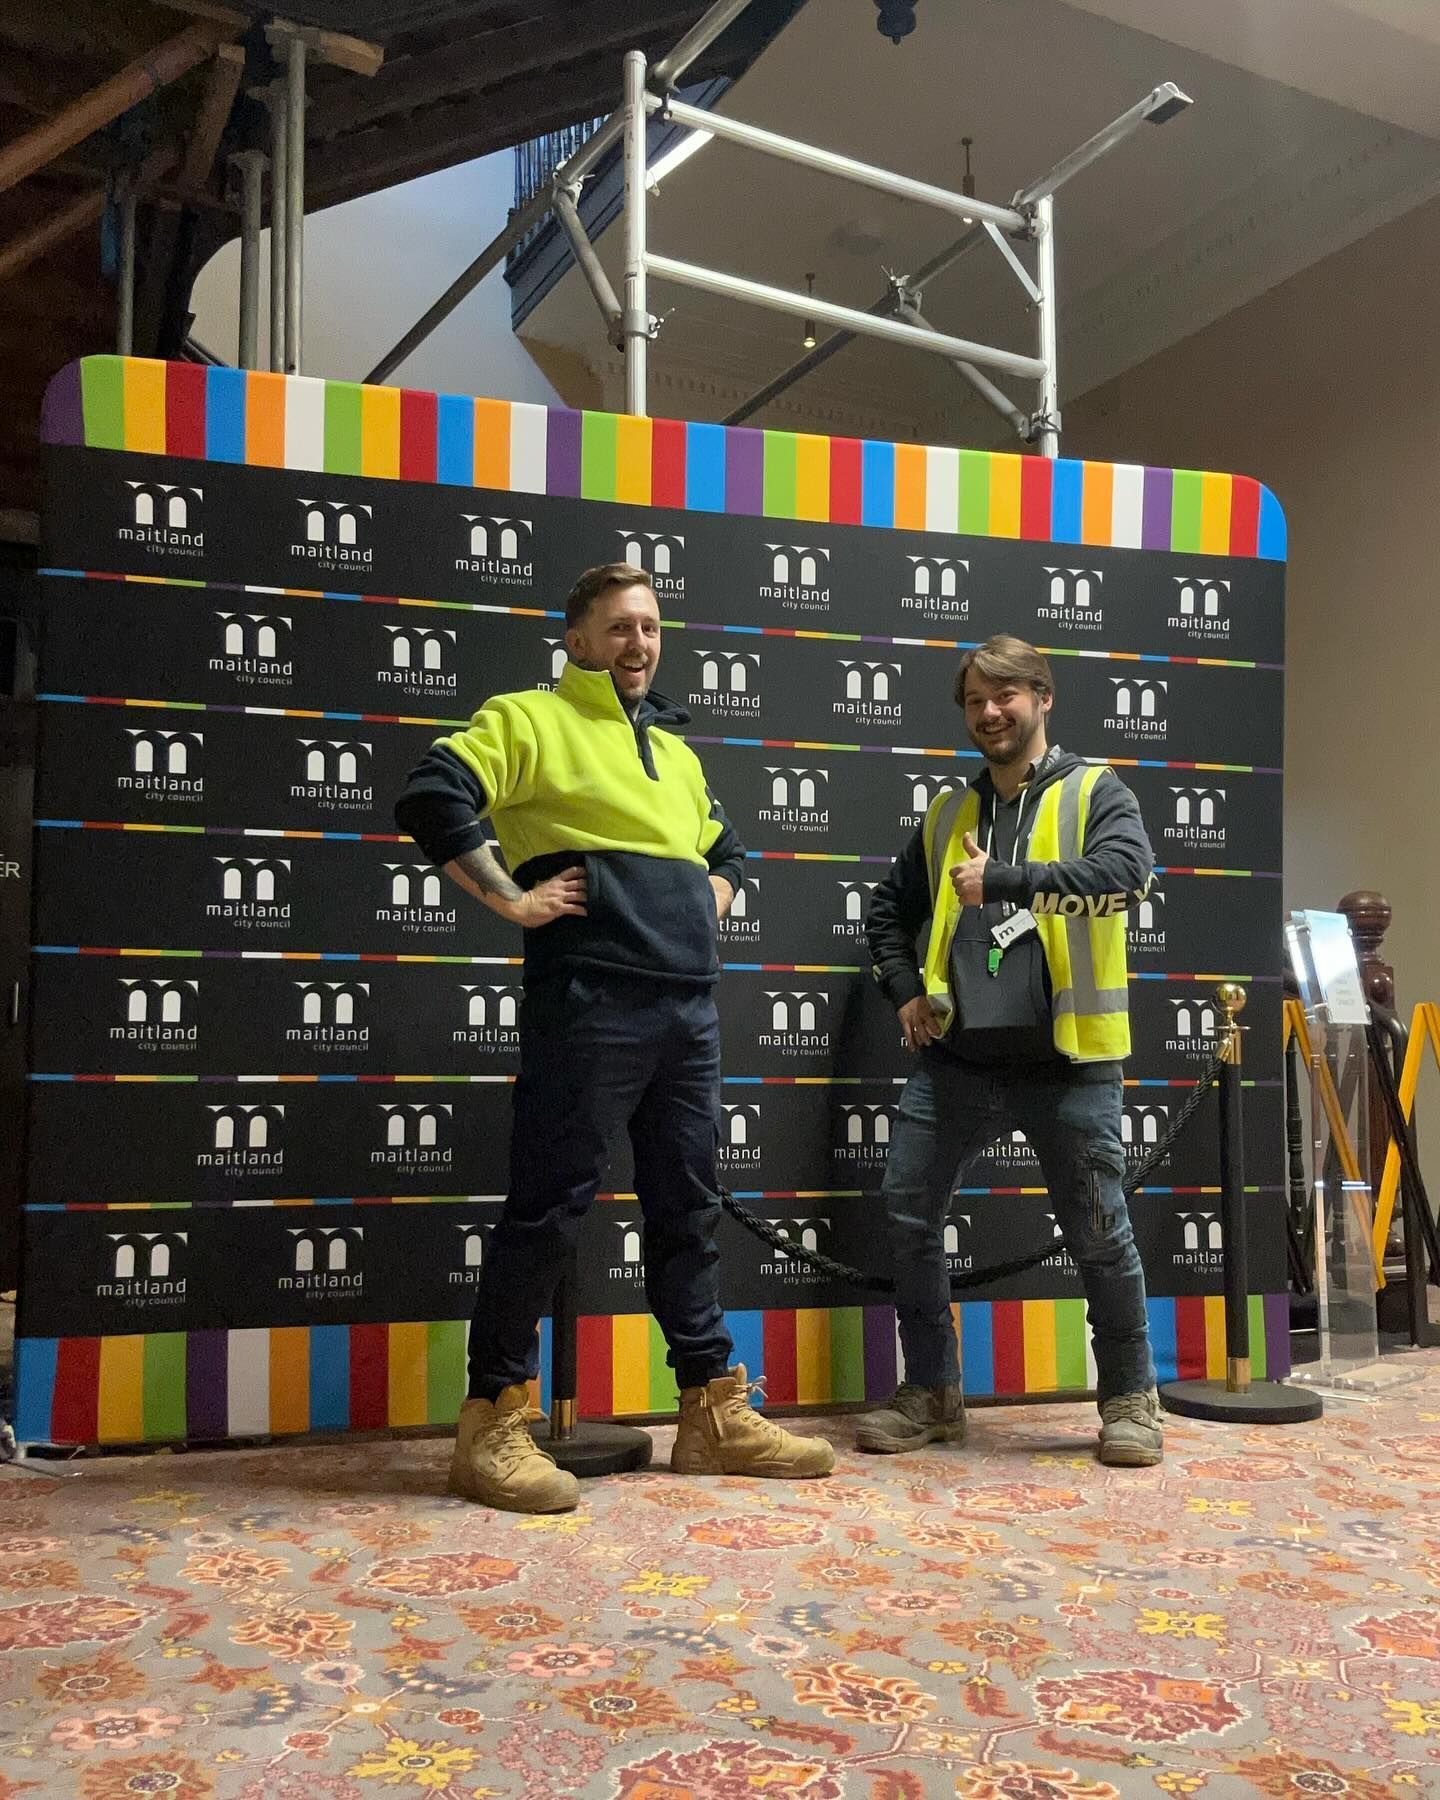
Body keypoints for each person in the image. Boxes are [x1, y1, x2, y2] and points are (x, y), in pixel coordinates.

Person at [395, 562, 834, 1512]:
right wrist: (510, 897)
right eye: (620, 628)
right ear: (579, 641)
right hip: (589, 1001)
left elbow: (725, 853)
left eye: (651, 627)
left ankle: (711, 1415)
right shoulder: (529, 719)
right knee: (549, 1209)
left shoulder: (675, 752)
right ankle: (491, 1425)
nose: (639, 643)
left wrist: (702, 903)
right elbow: (433, 794)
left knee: (689, 1209)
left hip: (688, 1008)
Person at [861, 634, 1162, 1467]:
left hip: (1070, 1062)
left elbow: (1126, 874)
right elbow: (886, 913)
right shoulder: (949, 814)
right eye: (975, 701)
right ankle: (932, 1394)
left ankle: (1131, 1400)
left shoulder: (1098, 791)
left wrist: (1004, 881)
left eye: (1008, 696)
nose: (991, 713)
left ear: (1043, 698)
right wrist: (905, 992)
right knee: (910, 1217)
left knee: (1101, 1233)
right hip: (957, 1059)